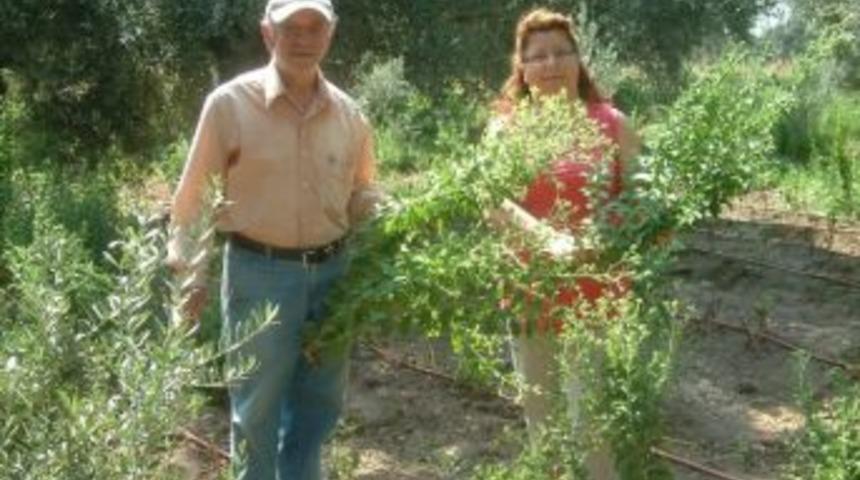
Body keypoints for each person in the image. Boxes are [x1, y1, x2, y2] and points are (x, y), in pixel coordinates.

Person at [166, 0, 379, 478]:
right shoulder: (229, 105)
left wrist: (387, 214)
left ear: (331, 34)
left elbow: (362, 191)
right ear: (267, 34)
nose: (303, 39)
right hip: (258, 272)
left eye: (314, 27)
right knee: (255, 409)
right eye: (290, 28)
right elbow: (193, 197)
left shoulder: (350, 115)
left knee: (320, 402)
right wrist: (190, 274)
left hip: (333, 275)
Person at [490, 7, 640, 479]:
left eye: (561, 52)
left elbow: (640, 196)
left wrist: (609, 229)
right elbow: (491, 200)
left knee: (591, 422)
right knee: (543, 422)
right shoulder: (506, 127)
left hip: (597, 293)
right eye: (538, 56)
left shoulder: (612, 123)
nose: (551, 64)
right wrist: (545, 237)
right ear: (522, 68)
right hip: (530, 290)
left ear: (579, 60)